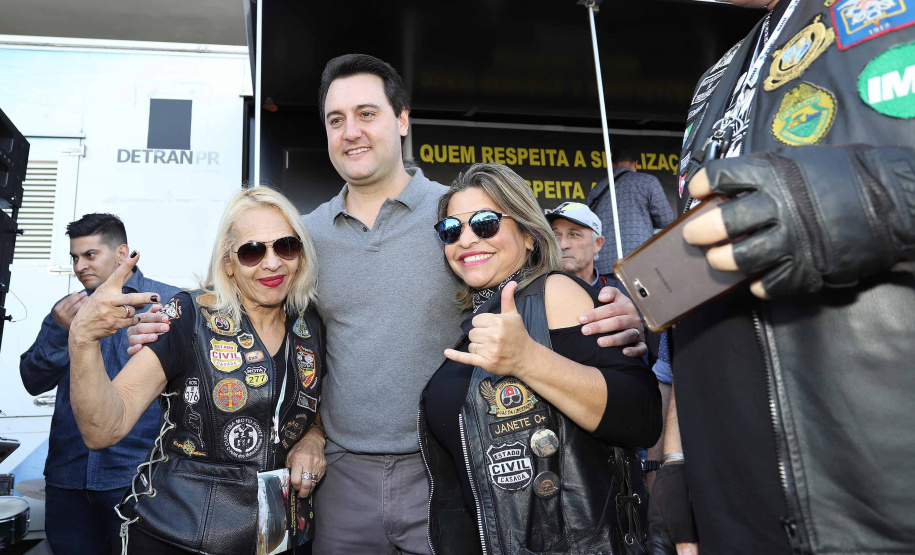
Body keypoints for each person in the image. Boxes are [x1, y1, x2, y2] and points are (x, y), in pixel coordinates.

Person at [129, 54, 650, 555]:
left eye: (366, 114)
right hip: (342, 477)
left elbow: (536, 291)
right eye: (336, 119)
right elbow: (263, 326)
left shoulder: (453, 219)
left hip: (452, 468)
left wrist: (618, 315)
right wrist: (165, 326)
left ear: (402, 121)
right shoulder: (301, 239)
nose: (351, 131)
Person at [650, 1, 915, 553]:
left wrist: (878, 199)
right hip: (738, 500)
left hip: (877, 495)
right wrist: (679, 458)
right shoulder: (719, 75)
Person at [67, 187, 326, 555]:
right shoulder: (189, 315)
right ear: (228, 263)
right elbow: (104, 428)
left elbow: (314, 406)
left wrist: (314, 437)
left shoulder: (309, 325)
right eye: (252, 251)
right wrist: (82, 338)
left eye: (286, 246)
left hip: (278, 535)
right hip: (178, 535)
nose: (272, 263)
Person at [420, 163, 662, 554]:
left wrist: (528, 360)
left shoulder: (554, 294)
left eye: (484, 223)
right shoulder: (477, 321)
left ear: (529, 235)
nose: (465, 239)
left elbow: (641, 413)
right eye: (451, 229)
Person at [18, 213, 179, 555]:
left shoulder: (166, 303)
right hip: (68, 478)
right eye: (74, 257)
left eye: (89, 255)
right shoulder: (67, 310)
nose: (79, 266)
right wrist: (61, 330)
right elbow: (32, 380)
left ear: (121, 254)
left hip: (141, 477)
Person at [587, 147, 674, 272]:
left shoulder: (597, 189)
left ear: (612, 165)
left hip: (603, 264)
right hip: (638, 259)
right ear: (636, 164)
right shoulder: (648, 182)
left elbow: (590, 226)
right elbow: (666, 220)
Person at [546, 201, 609, 289]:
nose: (562, 245)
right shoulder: (536, 291)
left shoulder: (622, 290)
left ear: (597, 243)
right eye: (556, 236)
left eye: (574, 234)